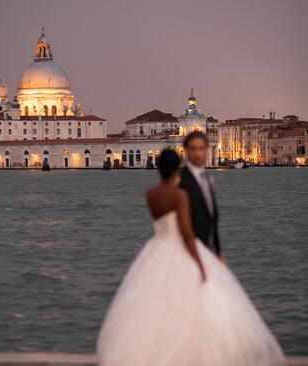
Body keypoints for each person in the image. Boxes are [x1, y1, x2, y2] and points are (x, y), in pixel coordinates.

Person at [97, 149, 286, 366]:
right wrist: (200, 263)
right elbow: (186, 233)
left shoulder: (151, 194)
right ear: (177, 167)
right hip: (179, 248)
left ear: (158, 168)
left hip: (157, 248)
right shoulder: (180, 195)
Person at [180, 131, 225, 262]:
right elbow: (186, 228)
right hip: (193, 255)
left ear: (206, 150)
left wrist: (217, 252)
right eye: (193, 149)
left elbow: (211, 220)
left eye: (201, 148)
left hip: (209, 251)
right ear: (186, 151)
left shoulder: (204, 179)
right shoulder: (183, 183)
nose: (197, 154)